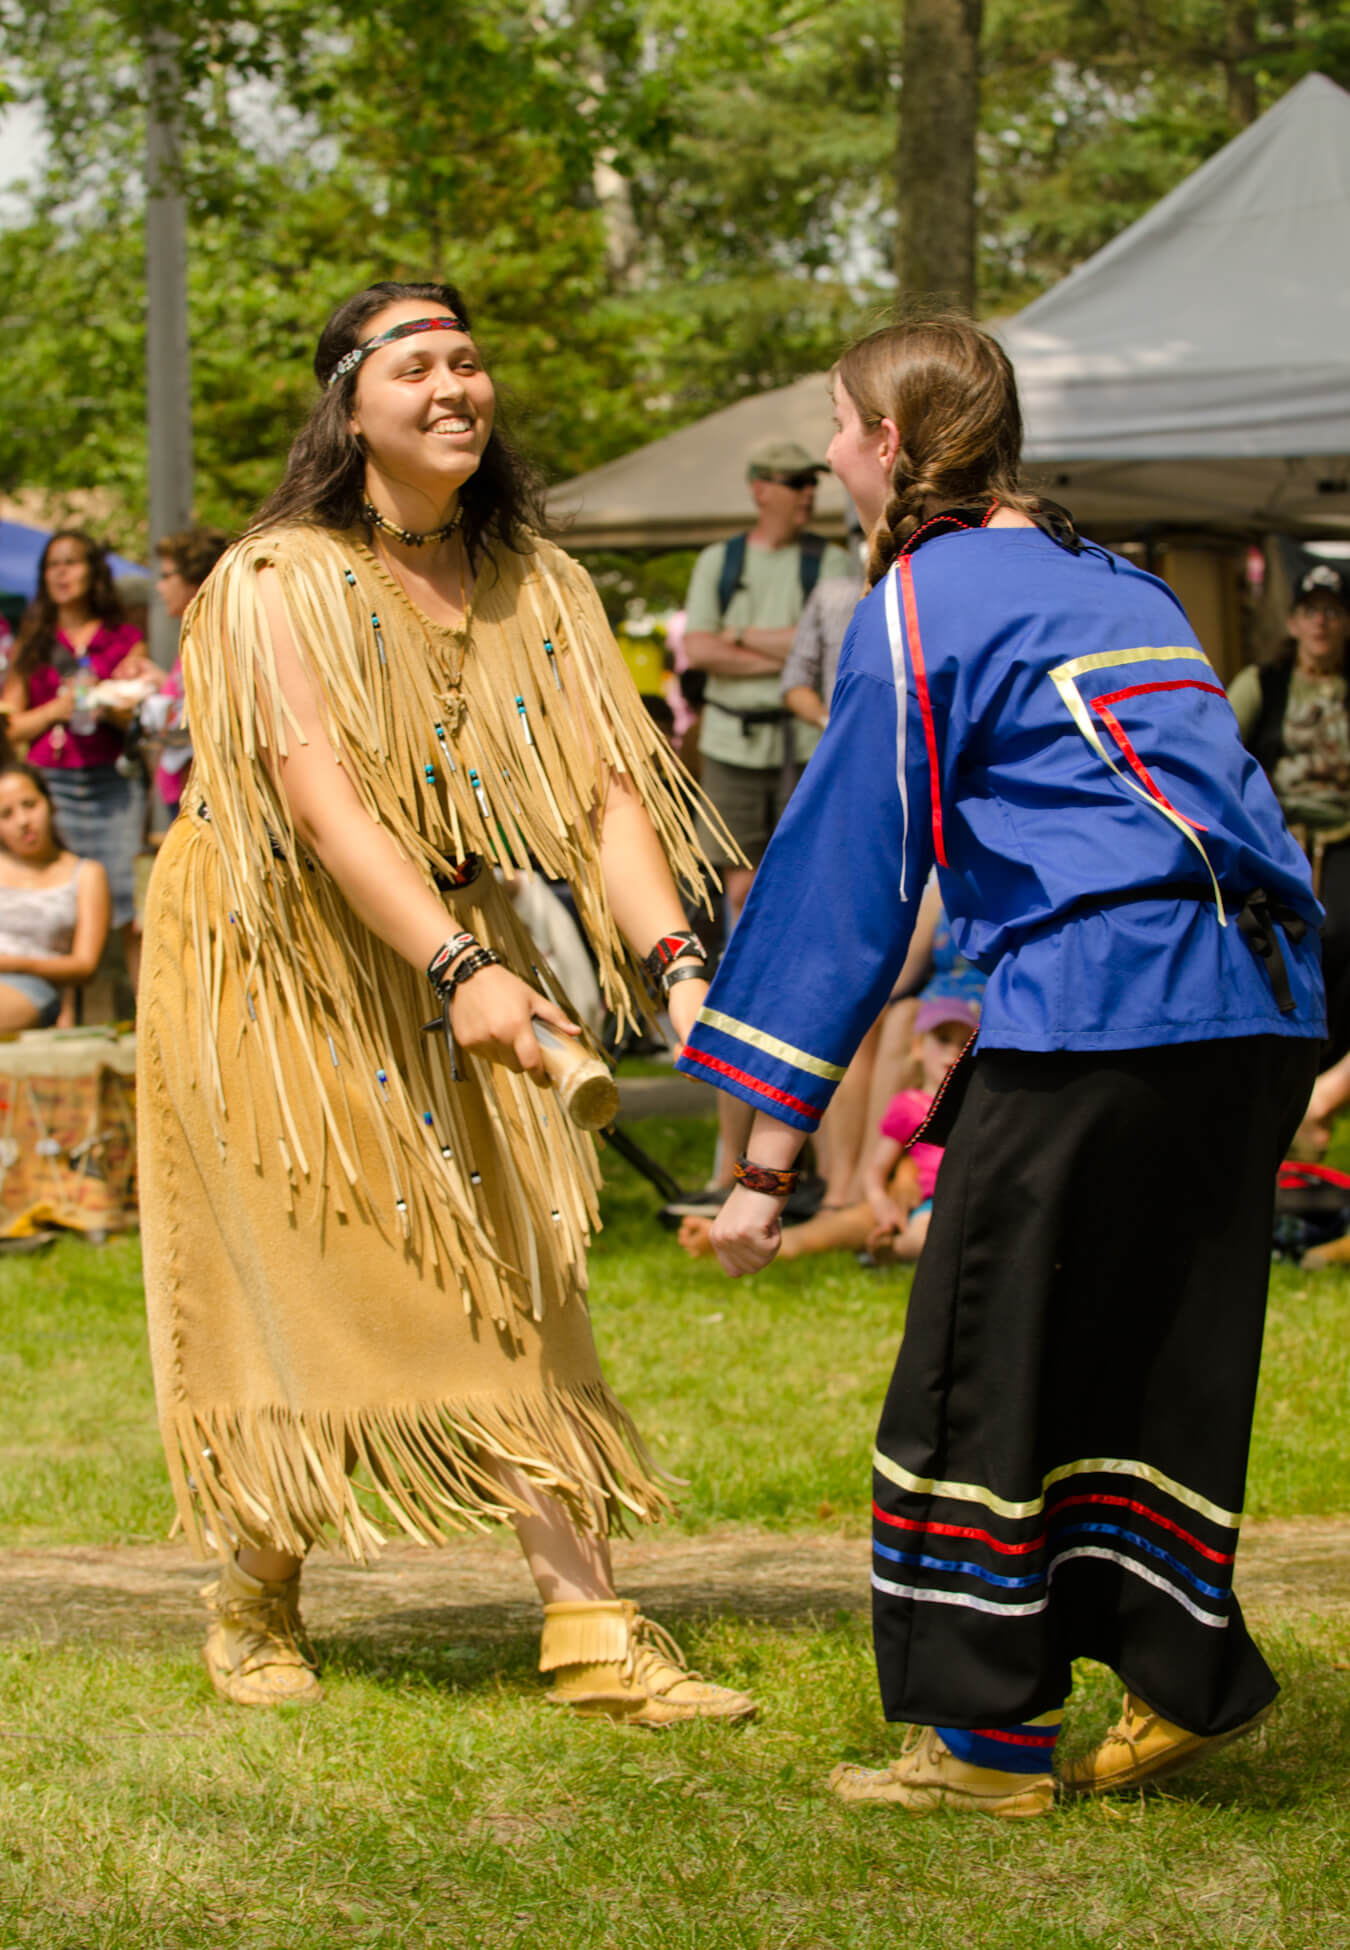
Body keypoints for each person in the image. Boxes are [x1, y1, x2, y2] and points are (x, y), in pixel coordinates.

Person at [679, 315, 1324, 1818]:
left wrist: (763, 1165)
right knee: (1152, 1356)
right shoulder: (1122, 583)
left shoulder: (921, 598)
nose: (834, 455)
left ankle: (981, 1745)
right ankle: (1180, 1679)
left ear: (890, 447)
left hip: (1105, 1001)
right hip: (1256, 1004)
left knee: (981, 1365)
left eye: (842, 428)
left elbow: (843, 876)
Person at [137, 279, 754, 1727]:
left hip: (435, 936)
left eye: (469, 360)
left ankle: (591, 1626)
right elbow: (321, 797)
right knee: (305, 1254)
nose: (454, 387)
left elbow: (609, 795)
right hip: (266, 947)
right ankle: (256, 1586)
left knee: (507, 1251)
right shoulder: (275, 580)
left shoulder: (537, 583)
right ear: (347, 405)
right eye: (415, 366)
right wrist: (468, 969)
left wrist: (674, 962)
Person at [683, 441, 854, 1196]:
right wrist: (777, 647)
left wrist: (744, 642)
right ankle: (740, 1148)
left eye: (810, 483)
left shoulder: (829, 563)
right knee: (745, 917)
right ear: (760, 490)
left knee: (803, 916)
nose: (805, 495)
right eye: (792, 484)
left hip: (803, 751)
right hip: (732, 749)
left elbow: (818, 653)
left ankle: (795, 1136)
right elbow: (696, 649)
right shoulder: (721, 559)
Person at [678, 996, 974, 1268]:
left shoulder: (975, 1105)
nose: (952, 1052)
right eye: (943, 1039)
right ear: (918, 1047)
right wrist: (885, 1196)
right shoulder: (909, 1106)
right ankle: (732, 1240)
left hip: (959, 1202)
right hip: (916, 1202)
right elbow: (879, 1167)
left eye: (962, 1046)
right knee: (843, 1229)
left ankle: (891, 1249)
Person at [1, 532, 150, 989]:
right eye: (53, 566)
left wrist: (114, 706)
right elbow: (10, 725)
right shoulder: (35, 643)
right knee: (59, 898)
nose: (62, 574)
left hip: (113, 782)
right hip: (52, 785)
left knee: (127, 900)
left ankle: (146, 1015)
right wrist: (53, 711)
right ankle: (61, 1015)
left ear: (93, 571)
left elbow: (143, 719)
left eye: (72, 563)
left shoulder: (123, 638)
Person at [1229, 564, 1350, 1059]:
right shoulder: (1264, 681)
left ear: (1345, 623)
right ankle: (1282, 1055)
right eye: (1309, 611)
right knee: (1273, 940)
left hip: (1343, 837)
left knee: (1341, 937)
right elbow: (1218, 748)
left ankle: (1332, 1064)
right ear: (1294, 623)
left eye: (1332, 611)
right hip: (1277, 840)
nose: (1320, 622)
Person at [0, 762, 110, 1030]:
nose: (23, 821)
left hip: (34, 987)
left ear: (50, 804)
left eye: (29, 804)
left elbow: (85, 966)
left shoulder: (86, 874)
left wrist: (12, 964)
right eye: (6, 814)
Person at [141, 526, 231, 820]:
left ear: (196, 580)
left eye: (167, 576)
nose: (159, 587)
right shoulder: (195, 633)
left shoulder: (217, 635)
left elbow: (208, 720)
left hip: (203, 794)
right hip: (180, 790)